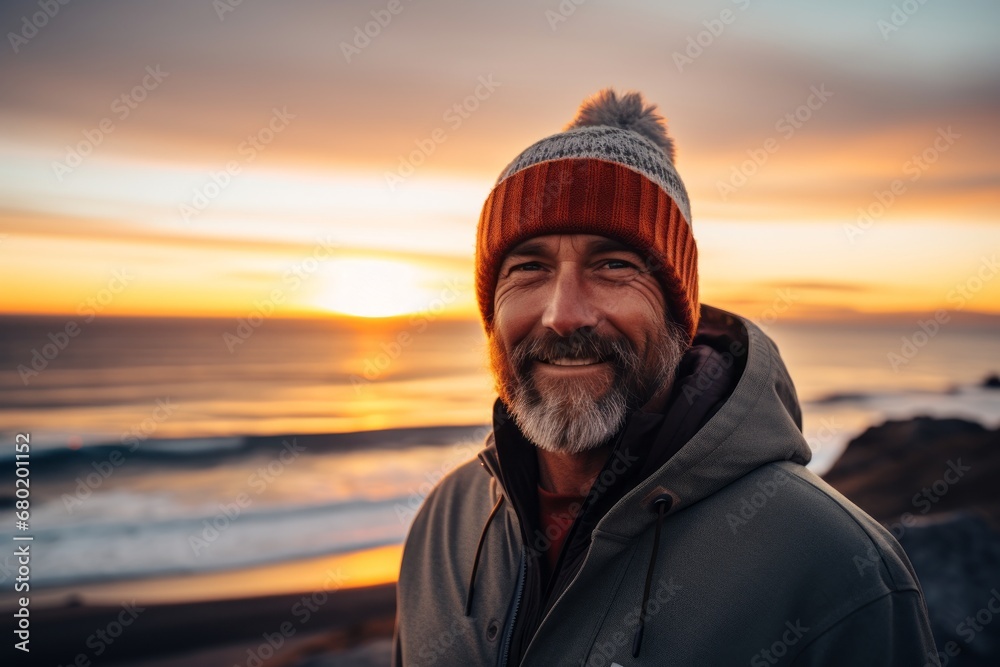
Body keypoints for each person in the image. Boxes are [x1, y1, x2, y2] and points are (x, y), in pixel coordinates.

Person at [392, 89, 939, 666]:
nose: (563, 313)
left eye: (614, 265)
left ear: (679, 310)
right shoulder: (445, 524)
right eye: (529, 267)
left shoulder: (833, 566)